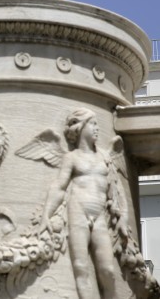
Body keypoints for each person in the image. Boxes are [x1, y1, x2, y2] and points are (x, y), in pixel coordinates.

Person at [39, 108, 124, 299]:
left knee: (108, 270)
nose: (96, 129)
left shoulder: (104, 157)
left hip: (100, 215)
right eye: (93, 124)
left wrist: (123, 218)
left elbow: (117, 190)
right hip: (78, 211)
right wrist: (46, 215)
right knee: (80, 266)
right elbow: (59, 187)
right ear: (81, 127)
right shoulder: (72, 157)